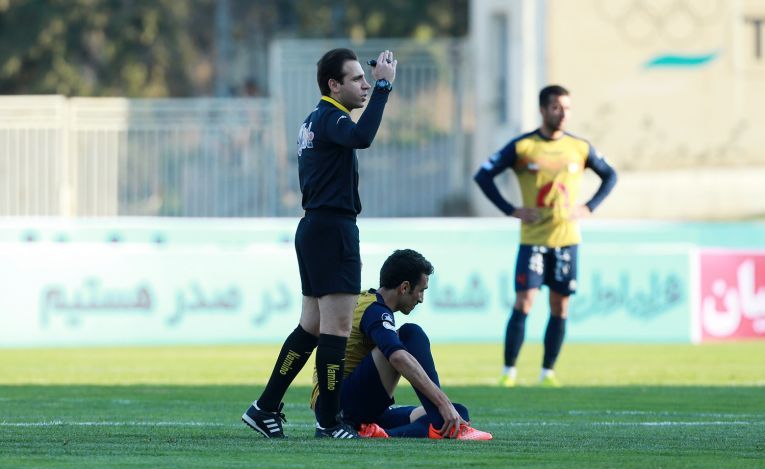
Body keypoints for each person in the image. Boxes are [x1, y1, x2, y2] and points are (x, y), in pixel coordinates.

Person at [242, 48, 397, 439]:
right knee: (337, 328)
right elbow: (362, 137)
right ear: (334, 85)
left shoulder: (314, 119)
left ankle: (264, 407)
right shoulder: (331, 117)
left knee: (310, 327)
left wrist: (375, 88)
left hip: (314, 227)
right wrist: (384, 88)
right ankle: (328, 422)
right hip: (332, 229)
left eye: (366, 79)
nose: (364, 85)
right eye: (357, 79)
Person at [474, 85, 617, 388]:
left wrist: (589, 206)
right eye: (556, 108)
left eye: (567, 108)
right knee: (524, 301)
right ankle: (509, 371)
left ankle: (547, 372)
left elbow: (610, 175)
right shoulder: (524, 147)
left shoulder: (579, 147)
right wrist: (510, 209)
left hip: (567, 240)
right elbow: (483, 176)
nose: (563, 114)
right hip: (533, 240)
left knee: (560, 306)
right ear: (542, 110)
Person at [310, 249, 492, 440]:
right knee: (411, 333)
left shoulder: (368, 301)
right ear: (404, 287)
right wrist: (442, 402)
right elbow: (397, 357)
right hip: (338, 407)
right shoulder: (375, 311)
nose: (421, 298)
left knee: (458, 411)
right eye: (421, 290)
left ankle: (379, 433)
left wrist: (444, 405)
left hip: (351, 405)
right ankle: (438, 421)